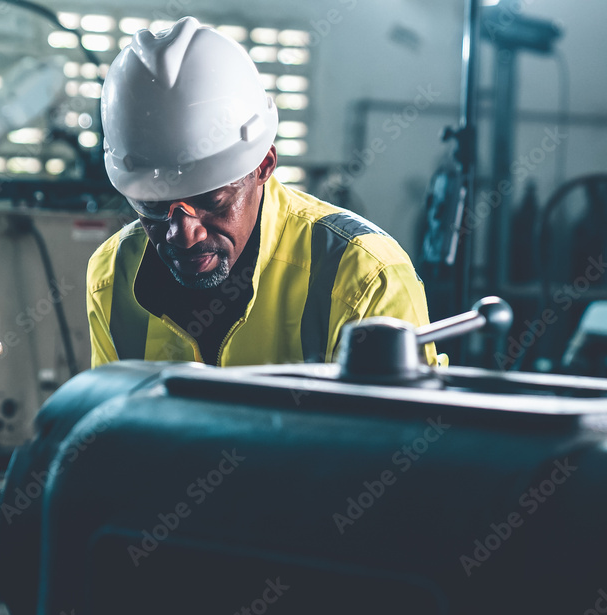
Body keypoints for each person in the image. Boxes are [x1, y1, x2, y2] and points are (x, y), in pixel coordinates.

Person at [87, 16, 443, 367]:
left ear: (263, 166)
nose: (184, 233)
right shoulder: (112, 276)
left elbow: (401, 425)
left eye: (212, 200)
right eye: (152, 206)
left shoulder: (365, 278)